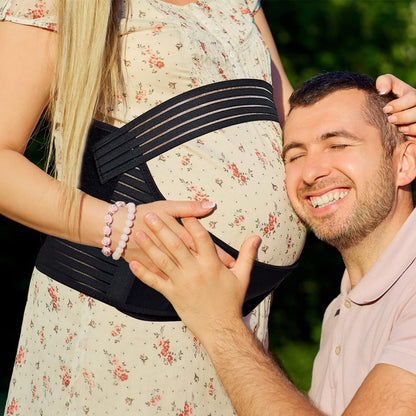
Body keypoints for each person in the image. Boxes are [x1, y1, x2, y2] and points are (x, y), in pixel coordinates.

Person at [1, 0, 415, 413]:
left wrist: (397, 124)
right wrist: (118, 226)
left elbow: (299, 121)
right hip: (120, 323)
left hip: (237, 324)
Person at [130, 71, 416, 416]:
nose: (310, 172)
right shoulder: (341, 310)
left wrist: (220, 325)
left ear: (405, 162)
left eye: (337, 145)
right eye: (295, 155)